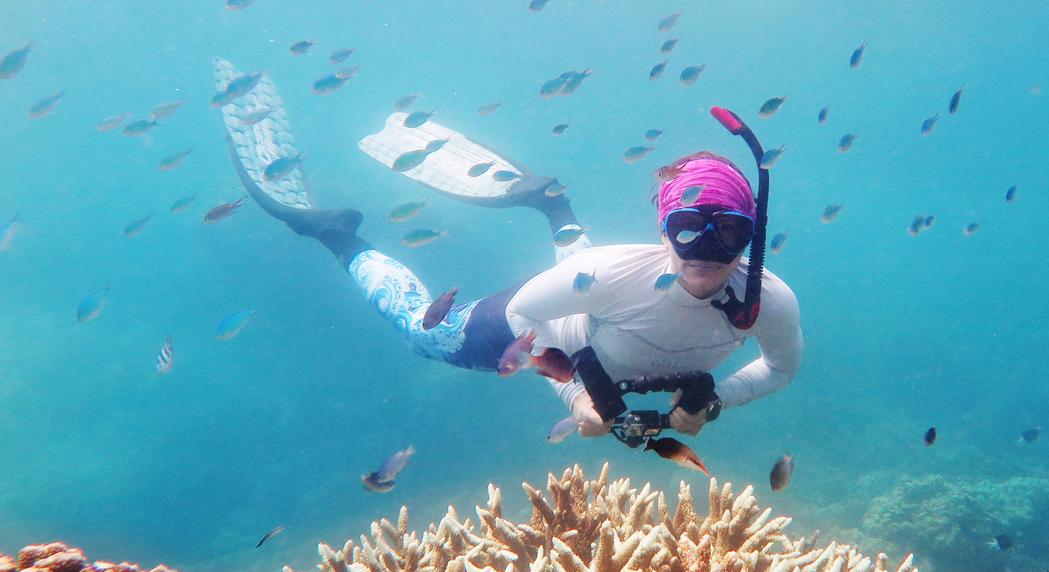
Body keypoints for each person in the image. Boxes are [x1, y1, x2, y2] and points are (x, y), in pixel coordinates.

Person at [215, 59, 802, 440]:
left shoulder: (769, 301)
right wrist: (573, 393)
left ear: (753, 231)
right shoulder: (612, 272)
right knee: (425, 335)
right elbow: (525, 312)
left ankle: (553, 205)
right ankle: (337, 234)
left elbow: (779, 367)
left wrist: (716, 401)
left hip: (596, 302)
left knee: (584, 278)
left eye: (728, 232)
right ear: (661, 229)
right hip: (554, 318)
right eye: (686, 229)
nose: (705, 251)